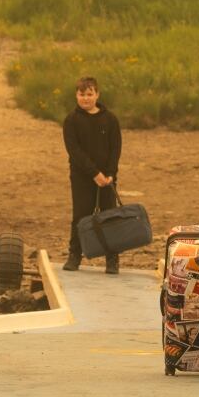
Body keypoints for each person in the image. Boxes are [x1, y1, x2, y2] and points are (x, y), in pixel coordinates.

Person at [62, 77, 122, 274]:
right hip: (82, 177)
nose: (86, 98)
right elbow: (75, 151)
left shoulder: (110, 119)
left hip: (107, 178)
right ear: (76, 95)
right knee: (81, 215)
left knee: (109, 216)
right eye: (82, 94)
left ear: (97, 95)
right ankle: (74, 256)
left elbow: (116, 148)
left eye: (89, 94)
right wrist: (94, 173)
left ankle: (112, 260)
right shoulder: (71, 120)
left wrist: (110, 174)